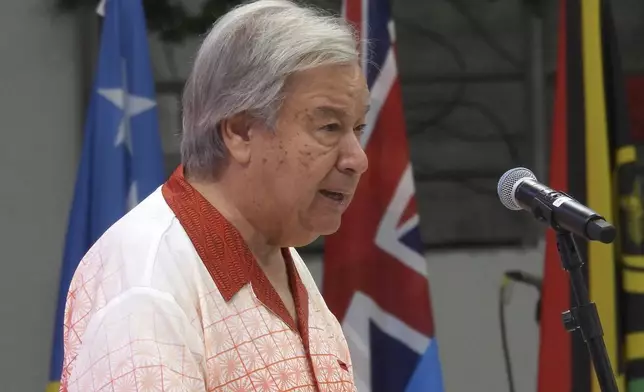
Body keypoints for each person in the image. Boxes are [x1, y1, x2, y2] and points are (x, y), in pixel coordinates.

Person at [58, 0, 369, 391]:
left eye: (357, 128)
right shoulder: (147, 290)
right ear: (239, 132)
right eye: (328, 126)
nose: (357, 159)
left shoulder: (277, 249)